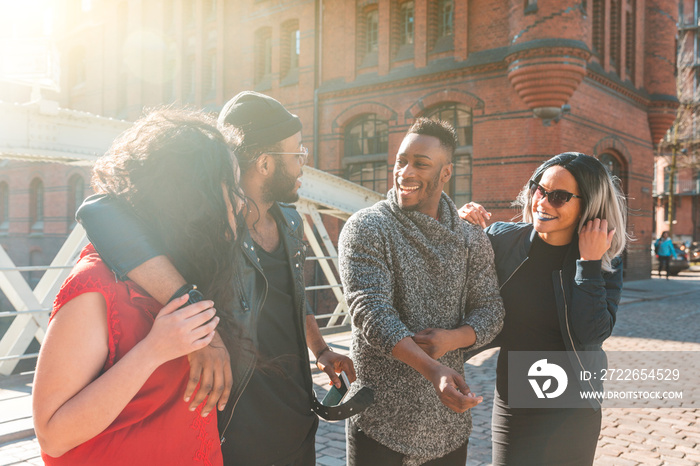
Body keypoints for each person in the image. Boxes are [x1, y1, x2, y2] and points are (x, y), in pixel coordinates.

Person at [75, 91, 356, 465]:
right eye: (297, 153)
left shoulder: (290, 220)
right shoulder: (210, 224)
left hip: (296, 419)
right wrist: (196, 321)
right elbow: (99, 210)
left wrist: (320, 349)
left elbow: (293, 293)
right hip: (234, 423)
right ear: (266, 163)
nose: (304, 163)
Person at [33, 109, 245, 465]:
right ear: (193, 197)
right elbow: (53, 435)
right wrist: (154, 350)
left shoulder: (190, 273)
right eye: (232, 186)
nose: (241, 201)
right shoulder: (95, 286)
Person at [338, 118, 505, 466]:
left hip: (448, 427)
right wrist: (433, 369)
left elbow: (491, 310)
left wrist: (453, 339)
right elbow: (371, 313)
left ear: (446, 173)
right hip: (378, 422)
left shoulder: (471, 237)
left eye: (420, 164)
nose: (404, 172)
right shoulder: (367, 226)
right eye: (401, 161)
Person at [459, 152, 627, 466]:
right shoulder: (502, 240)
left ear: (587, 206)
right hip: (516, 397)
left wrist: (588, 265)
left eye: (559, 197)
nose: (543, 202)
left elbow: (592, 332)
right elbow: (457, 292)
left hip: (574, 403)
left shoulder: (605, 258)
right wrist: (458, 230)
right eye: (540, 189)